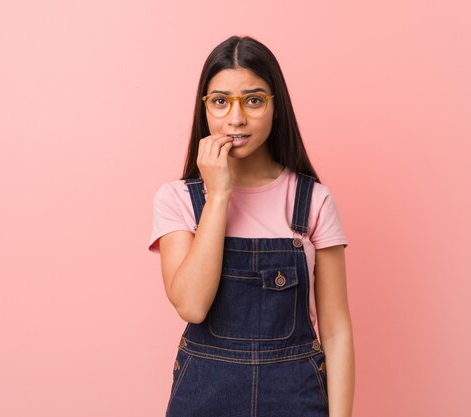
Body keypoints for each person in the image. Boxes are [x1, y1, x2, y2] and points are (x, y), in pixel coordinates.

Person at [148, 35, 355, 417]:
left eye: (254, 100)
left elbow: (337, 329)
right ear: (205, 108)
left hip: (296, 397)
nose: (236, 117)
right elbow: (191, 306)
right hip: (205, 397)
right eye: (221, 101)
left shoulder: (314, 201)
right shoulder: (177, 199)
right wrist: (219, 194)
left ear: (277, 107)